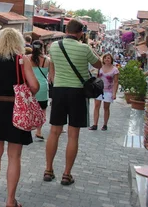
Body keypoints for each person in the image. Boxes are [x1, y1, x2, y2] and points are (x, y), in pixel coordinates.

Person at [0, 28, 39, 207]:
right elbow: (35, 85)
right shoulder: (22, 60)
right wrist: (27, 94)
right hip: (17, 109)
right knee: (14, 156)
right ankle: (10, 200)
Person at [44, 19, 102, 186]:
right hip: (78, 92)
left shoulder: (54, 47)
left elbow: (52, 70)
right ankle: (66, 174)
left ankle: (48, 170)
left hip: (59, 91)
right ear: (81, 33)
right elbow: (98, 64)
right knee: (73, 134)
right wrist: (85, 44)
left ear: (66, 30)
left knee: (54, 131)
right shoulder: (84, 48)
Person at [89, 53, 119, 131]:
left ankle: (105, 124)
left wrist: (114, 93)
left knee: (106, 107)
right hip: (99, 89)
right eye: (105, 58)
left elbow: (116, 82)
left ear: (111, 60)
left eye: (108, 58)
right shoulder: (100, 68)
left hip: (108, 91)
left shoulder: (115, 70)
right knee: (96, 106)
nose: (107, 59)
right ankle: (95, 124)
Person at [31, 40, 50, 140]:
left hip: (30, 86)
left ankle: (28, 127)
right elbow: (51, 77)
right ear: (43, 48)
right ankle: (39, 131)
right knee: (42, 110)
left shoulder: (27, 58)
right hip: (43, 87)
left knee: (30, 109)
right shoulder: (47, 60)